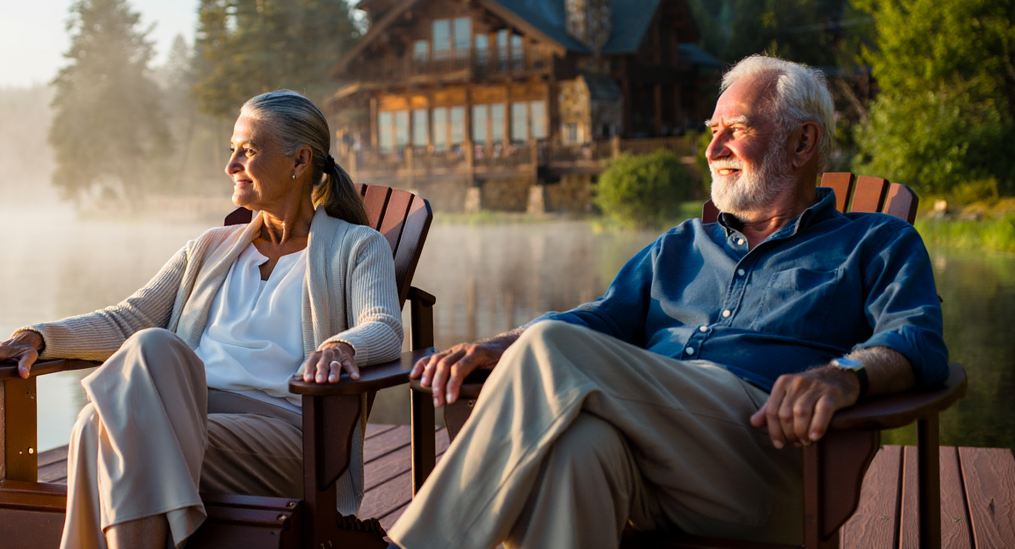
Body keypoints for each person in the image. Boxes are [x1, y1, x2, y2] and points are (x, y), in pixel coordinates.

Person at [389, 55, 949, 549]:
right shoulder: (682, 245)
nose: (713, 148)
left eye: (736, 129)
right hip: (659, 468)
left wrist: (843, 374)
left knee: (553, 345)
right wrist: (497, 345)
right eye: (712, 130)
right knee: (578, 450)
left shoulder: (875, 242)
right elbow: (602, 319)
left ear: (803, 143)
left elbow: (916, 339)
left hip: (767, 456)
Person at [0, 90, 403, 549]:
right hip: (185, 415)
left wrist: (341, 346)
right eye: (231, 151)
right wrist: (36, 338)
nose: (231, 166)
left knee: (120, 395)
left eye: (248, 151)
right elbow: (129, 319)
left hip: (287, 437)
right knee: (118, 396)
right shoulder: (211, 248)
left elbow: (382, 325)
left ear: (300, 160)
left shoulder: (356, 247)